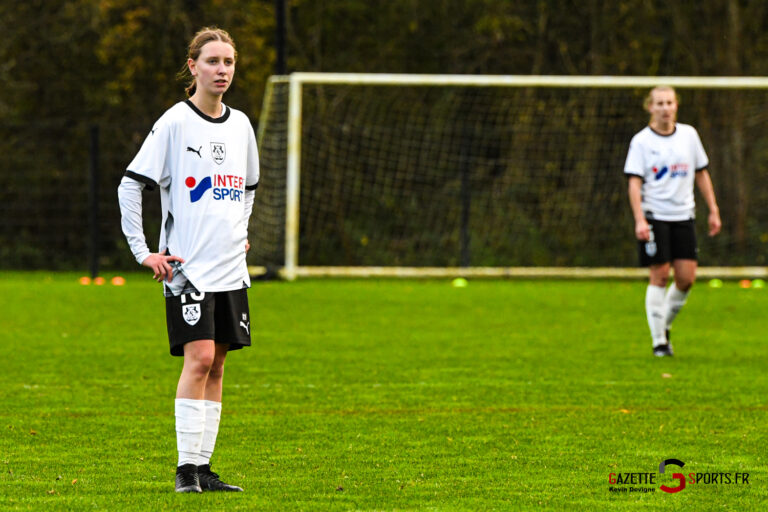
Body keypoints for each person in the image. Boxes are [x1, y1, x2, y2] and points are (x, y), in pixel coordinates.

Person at [117, 27, 259, 492]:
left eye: (229, 62)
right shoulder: (175, 122)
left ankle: (204, 469)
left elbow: (248, 189)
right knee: (197, 359)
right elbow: (130, 184)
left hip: (230, 270)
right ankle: (183, 471)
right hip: (187, 270)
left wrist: (241, 232)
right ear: (193, 66)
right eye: (213, 61)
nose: (223, 70)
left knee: (218, 363)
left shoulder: (241, 125)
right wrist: (144, 252)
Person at [624, 86, 721, 357]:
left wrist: (713, 209)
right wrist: (639, 219)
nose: (665, 108)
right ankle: (659, 343)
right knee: (660, 274)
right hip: (655, 215)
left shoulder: (689, 136)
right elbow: (634, 182)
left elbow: (701, 173)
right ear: (650, 107)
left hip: (684, 216)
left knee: (686, 279)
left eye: (669, 103)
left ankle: (661, 325)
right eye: (660, 103)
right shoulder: (642, 142)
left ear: (676, 106)